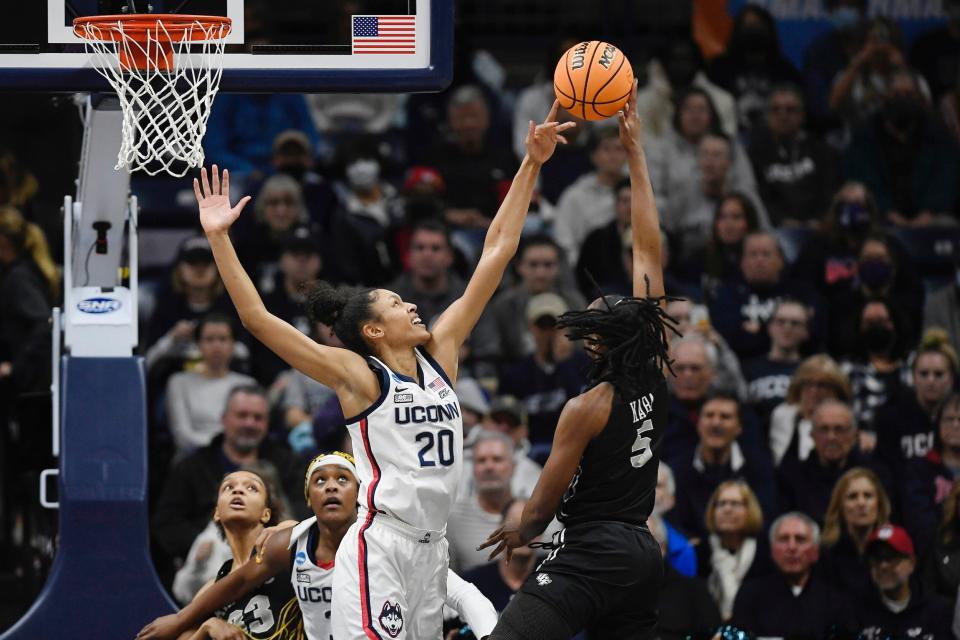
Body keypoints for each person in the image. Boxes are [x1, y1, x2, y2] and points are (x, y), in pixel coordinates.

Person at [183, 103, 572, 640]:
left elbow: (497, 251)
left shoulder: (442, 354)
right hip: (380, 544)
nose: (411, 304)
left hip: (432, 551)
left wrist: (531, 164)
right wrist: (220, 237)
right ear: (373, 331)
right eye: (395, 302)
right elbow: (257, 319)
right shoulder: (359, 378)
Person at [479, 84, 675, 639]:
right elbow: (647, 249)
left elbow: (540, 511)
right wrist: (635, 152)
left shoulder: (586, 407)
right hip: (642, 552)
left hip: (593, 550)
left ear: (596, 344)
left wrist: (518, 533)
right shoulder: (654, 371)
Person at [138, 453, 498, 640]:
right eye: (320, 481)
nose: (331, 487)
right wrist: (180, 620)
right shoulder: (289, 544)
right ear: (308, 498)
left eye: (343, 480)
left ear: (360, 495)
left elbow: (466, 596)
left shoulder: (391, 540)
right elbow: (237, 581)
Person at [152, 385, 306, 573]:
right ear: (224, 419)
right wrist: (207, 546)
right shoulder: (191, 467)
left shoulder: (288, 464)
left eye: (258, 418)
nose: (249, 423)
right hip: (207, 568)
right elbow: (167, 522)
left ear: (267, 424)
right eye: (242, 415)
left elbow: (303, 514)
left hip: (274, 565)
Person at [730, 512, 855, 637]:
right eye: (784, 539)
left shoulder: (835, 602)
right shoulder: (749, 597)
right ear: (773, 551)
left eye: (800, 539)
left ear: (815, 552)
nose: (792, 547)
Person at [165, 314, 257, 455]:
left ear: (233, 344)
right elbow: (182, 436)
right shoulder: (178, 382)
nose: (216, 346)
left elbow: (252, 429)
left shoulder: (247, 384)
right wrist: (222, 448)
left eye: (223, 339)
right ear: (198, 344)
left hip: (240, 457)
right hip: (193, 458)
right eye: (209, 339)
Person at [856, 524, 953, 639]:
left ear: (911, 563)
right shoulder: (856, 610)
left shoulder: (937, 612)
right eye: (877, 559)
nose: (883, 566)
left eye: (891, 557)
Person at [696, 480, 772, 621]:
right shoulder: (700, 552)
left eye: (735, 504)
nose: (727, 509)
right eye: (721, 504)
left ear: (750, 510)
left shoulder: (766, 553)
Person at [819, 466, 892, 604]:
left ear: (879, 504)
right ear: (840, 506)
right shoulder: (825, 554)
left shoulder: (893, 550)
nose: (861, 503)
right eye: (852, 497)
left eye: (868, 496)